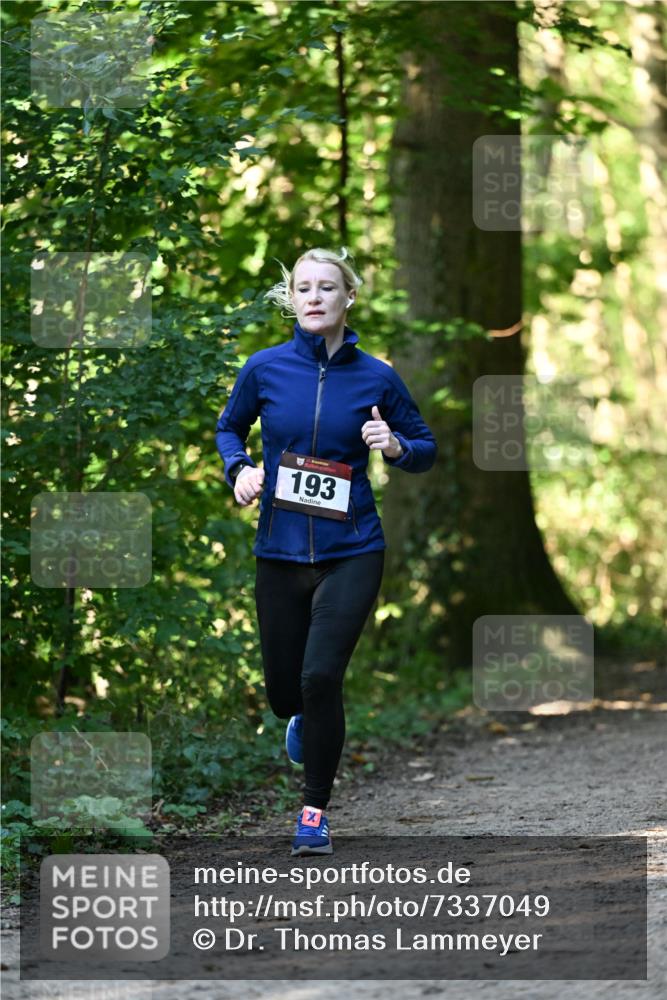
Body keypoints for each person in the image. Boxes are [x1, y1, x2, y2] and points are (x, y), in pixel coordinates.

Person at [215, 247, 437, 856]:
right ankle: (299, 720)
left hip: (353, 549)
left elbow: (426, 446)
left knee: (320, 677)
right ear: (293, 300)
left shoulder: (377, 376)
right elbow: (229, 428)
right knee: (287, 690)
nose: (314, 297)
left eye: (326, 288)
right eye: (303, 288)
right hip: (280, 551)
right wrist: (238, 469)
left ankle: (314, 810)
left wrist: (393, 445)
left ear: (348, 299)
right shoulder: (264, 370)